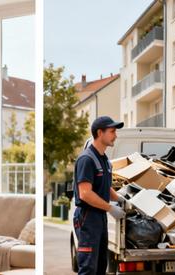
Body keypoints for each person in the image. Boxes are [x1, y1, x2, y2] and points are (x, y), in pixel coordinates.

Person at [73, 116, 127, 275]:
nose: (115, 135)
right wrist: (111, 208)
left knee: (100, 265)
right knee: (89, 267)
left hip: (100, 216)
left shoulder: (104, 160)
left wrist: (119, 199)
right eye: (112, 131)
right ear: (99, 133)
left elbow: (105, 186)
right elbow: (85, 193)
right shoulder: (86, 159)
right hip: (88, 217)